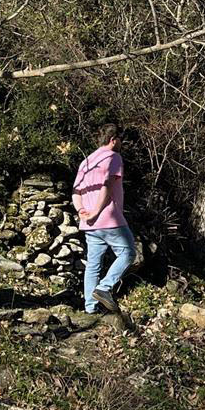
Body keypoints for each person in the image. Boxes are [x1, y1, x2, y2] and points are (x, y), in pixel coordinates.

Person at [72, 124, 136, 315]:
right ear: (113, 139)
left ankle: (90, 307)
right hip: (109, 218)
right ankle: (105, 288)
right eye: (120, 140)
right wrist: (96, 212)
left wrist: (82, 210)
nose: (121, 144)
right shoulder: (113, 157)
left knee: (93, 265)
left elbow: (76, 191)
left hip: (90, 224)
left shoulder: (87, 161)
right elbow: (107, 186)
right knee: (128, 252)